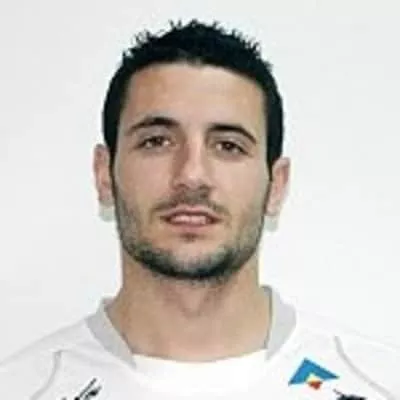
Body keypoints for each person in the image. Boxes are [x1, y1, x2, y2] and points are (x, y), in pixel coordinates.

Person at [0, 19, 399, 400]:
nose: (191, 175)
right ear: (104, 175)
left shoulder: (379, 385)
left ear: (276, 186)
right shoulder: (21, 389)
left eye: (228, 146)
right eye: (157, 141)